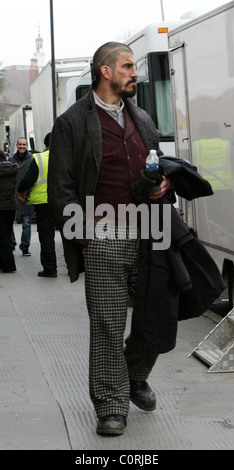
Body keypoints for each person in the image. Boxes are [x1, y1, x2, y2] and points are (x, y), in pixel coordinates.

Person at [47, 41, 172, 436]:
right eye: (128, 66)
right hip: (102, 237)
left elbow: (157, 168)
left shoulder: (143, 120)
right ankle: (111, 405)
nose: (135, 73)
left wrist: (162, 186)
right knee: (107, 324)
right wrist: (84, 237)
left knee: (157, 315)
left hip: (150, 233)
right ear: (106, 71)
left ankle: (133, 374)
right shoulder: (71, 123)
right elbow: (60, 189)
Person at [17, 133, 57, 278]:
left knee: (47, 235)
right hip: (66, 201)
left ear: (45, 144)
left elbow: (27, 179)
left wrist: (21, 190)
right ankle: (78, 266)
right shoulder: (69, 156)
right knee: (70, 233)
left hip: (44, 202)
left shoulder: (39, 158)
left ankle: (50, 268)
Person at [8, 137, 34, 256]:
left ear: (27, 146)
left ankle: (25, 246)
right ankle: (12, 244)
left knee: (27, 223)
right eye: (20, 144)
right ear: (17, 146)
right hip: (12, 196)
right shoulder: (11, 160)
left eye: (24, 144)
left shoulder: (32, 159)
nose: (22, 146)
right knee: (9, 222)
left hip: (26, 196)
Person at [0, 150, 18, 272]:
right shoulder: (13, 169)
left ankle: (8, 265)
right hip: (11, 206)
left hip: (1, 206)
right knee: (6, 233)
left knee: (2, 236)